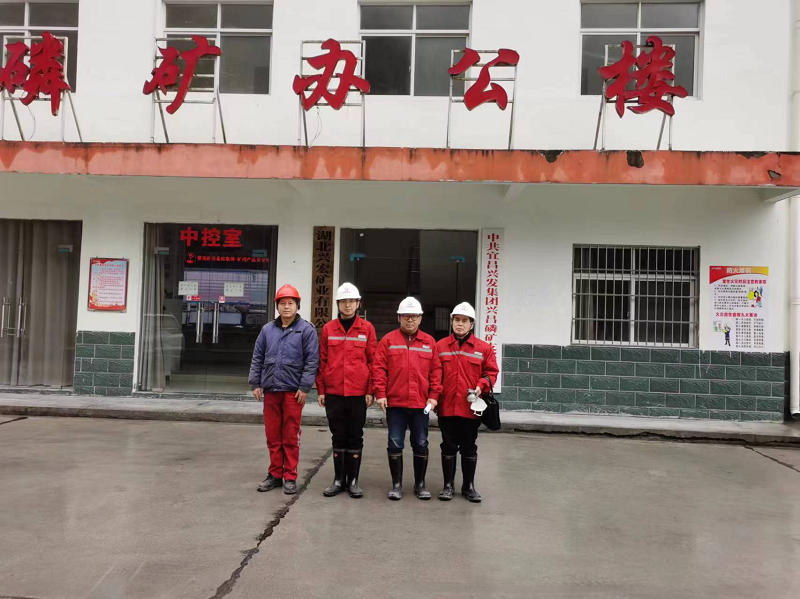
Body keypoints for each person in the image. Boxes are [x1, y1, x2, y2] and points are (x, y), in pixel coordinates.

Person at [249, 284, 320, 495]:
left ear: (297, 306)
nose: (286, 307)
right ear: (277, 306)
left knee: (290, 435)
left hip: (293, 392)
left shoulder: (306, 330)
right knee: (273, 435)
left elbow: (312, 361)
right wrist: (255, 383)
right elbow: (257, 357)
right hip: (271, 390)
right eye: (282, 303)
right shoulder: (267, 330)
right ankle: (274, 474)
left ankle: (290, 476)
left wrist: (305, 387)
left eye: (290, 303)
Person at [372, 297, 442, 500]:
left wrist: (434, 396)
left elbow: (436, 372)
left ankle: (420, 485)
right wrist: (380, 394)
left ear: (420, 318)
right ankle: (396, 485)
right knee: (395, 443)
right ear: (399, 318)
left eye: (414, 316)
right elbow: (379, 369)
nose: (410, 319)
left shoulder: (429, 342)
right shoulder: (388, 341)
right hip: (396, 403)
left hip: (421, 404)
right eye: (405, 316)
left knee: (421, 443)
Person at [316, 282, 377, 498]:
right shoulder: (328, 329)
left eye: (352, 301)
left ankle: (353, 481)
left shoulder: (367, 329)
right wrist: (321, 390)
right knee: (338, 435)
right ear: (338, 304)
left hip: (358, 393)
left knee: (355, 436)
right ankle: (338, 480)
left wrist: (370, 390)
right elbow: (322, 361)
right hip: (334, 392)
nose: (348, 305)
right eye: (343, 301)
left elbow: (373, 362)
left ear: (358, 303)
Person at [435, 302, 498, 503]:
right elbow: (434, 374)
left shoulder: (484, 348)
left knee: (469, 446)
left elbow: (491, 373)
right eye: (457, 320)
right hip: (447, 407)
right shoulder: (440, 346)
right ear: (452, 322)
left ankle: (468, 487)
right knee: (448, 445)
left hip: (471, 408)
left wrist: (481, 386)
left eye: (464, 321)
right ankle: (448, 486)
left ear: (472, 324)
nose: (460, 324)